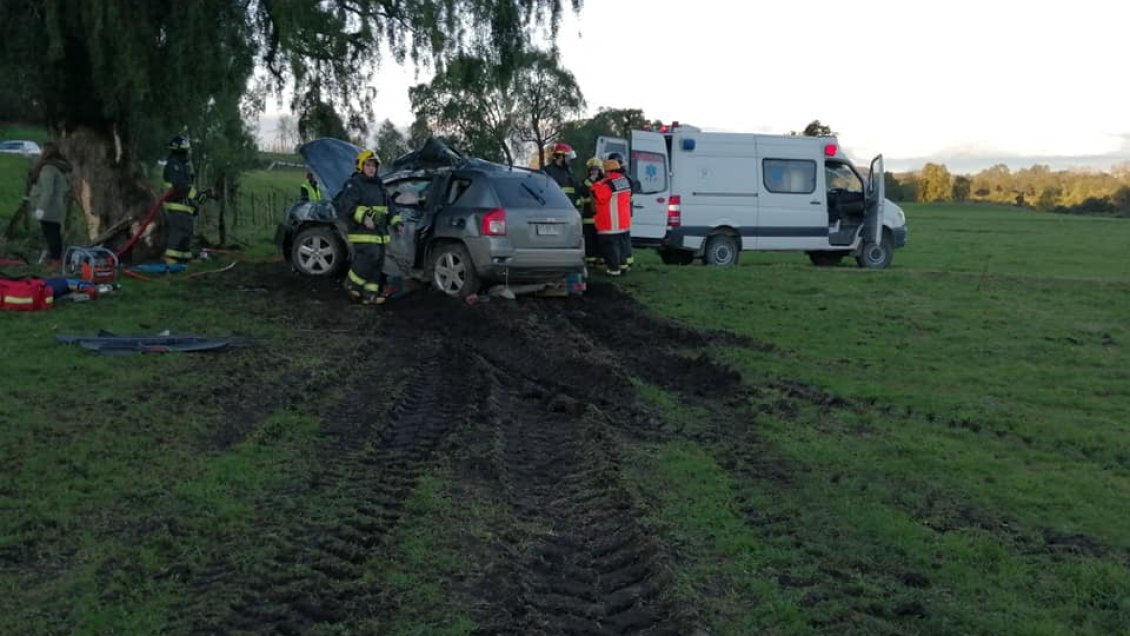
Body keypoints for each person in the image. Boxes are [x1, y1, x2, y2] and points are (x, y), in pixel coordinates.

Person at [335, 148, 400, 305]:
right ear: (361, 166)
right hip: (362, 231)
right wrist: (364, 217)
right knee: (370, 256)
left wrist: (396, 222)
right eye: (368, 165)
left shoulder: (379, 185)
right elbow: (348, 206)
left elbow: (390, 206)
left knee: (378, 261)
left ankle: (369, 295)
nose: (371, 168)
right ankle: (351, 284)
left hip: (379, 232)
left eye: (374, 166)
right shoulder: (354, 184)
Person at [28, 142, 72, 267]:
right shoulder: (57, 168)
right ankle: (53, 260)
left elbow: (48, 191)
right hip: (55, 207)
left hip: (48, 208)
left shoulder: (48, 169)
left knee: (51, 234)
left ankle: (55, 262)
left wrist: (40, 209)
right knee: (53, 233)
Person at [590, 158, 632, 276]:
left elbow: (599, 197)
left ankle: (613, 270)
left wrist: (596, 184)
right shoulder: (624, 180)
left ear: (608, 171)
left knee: (610, 247)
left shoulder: (608, 184)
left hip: (611, 222)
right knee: (622, 246)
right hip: (623, 222)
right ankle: (623, 267)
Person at [162, 135, 200, 264]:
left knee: (185, 234)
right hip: (176, 207)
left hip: (184, 207)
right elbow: (181, 186)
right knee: (177, 234)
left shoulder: (182, 165)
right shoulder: (174, 165)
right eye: (185, 151)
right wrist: (198, 197)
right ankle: (171, 261)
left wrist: (193, 204)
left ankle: (184, 260)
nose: (186, 154)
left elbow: (187, 187)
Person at [606, 152, 635, 271]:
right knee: (624, 239)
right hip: (626, 212)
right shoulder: (626, 177)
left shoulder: (620, 179)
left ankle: (623, 262)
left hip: (619, 213)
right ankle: (626, 262)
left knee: (619, 240)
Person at [577, 157, 604, 266]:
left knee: (601, 240)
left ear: (600, 170)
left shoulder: (603, 182)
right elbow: (583, 191)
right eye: (592, 169)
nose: (594, 172)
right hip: (588, 216)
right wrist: (590, 181)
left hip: (601, 217)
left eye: (596, 169)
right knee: (589, 240)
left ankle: (601, 259)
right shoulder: (585, 182)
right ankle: (590, 261)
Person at [542, 142, 579, 209]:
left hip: (570, 209)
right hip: (554, 209)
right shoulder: (547, 171)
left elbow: (577, 188)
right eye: (568, 157)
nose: (570, 159)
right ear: (561, 157)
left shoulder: (569, 171)